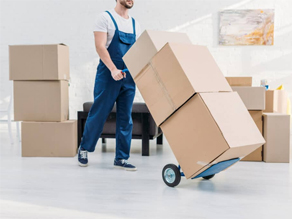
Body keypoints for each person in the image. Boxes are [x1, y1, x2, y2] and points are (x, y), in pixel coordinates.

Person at [77, 0, 141, 171]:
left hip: (128, 77)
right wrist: (113, 69)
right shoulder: (105, 18)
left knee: (125, 118)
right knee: (99, 113)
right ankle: (84, 148)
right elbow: (100, 47)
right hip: (108, 75)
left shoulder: (135, 24)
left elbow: (136, 53)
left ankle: (121, 158)